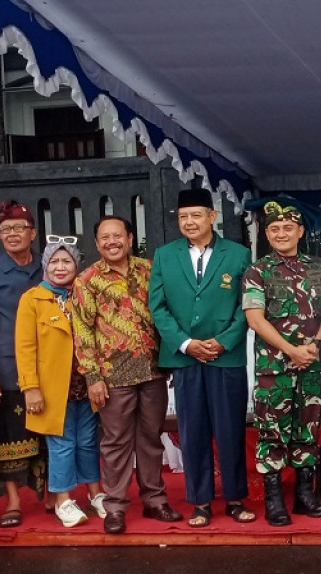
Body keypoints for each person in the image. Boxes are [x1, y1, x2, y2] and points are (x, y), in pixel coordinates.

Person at [150, 189, 251, 527]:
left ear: (212, 216)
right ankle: (201, 501)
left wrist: (223, 342)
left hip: (226, 357)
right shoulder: (165, 256)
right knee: (193, 432)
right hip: (186, 359)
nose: (189, 222)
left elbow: (246, 306)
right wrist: (185, 343)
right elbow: (158, 307)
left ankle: (235, 498)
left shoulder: (237, 255)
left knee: (230, 430)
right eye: (183, 217)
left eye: (196, 215)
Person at [71, 216, 178, 534]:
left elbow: (167, 311)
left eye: (118, 235)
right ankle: (115, 507)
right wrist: (92, 376)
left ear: (130, 238)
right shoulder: (87, 280)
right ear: (97, 243)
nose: (111, 242)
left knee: (150, 437)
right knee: (115, 442)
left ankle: (155, 500)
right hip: (111, 375)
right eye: (104, 237)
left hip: (152, 369)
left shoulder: (150, 270)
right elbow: (82, 332)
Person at [242, 201, 321, 526]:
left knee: (308, 429)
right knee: (272, 434)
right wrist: (291, 350)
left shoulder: (318, 268)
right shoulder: (257, 271)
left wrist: (315, 344)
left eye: (288, 228)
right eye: (275, 229)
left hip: (311, 366)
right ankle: (275, 502)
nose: (281, 233)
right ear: (267, 233)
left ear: (300, 231)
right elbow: (255, 319)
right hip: (273, 370)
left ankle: (305, 497)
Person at [16, 239, 105, 528]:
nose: (60, 267)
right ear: (45, 266)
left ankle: (95, 495)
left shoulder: (84, 294)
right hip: (54, 388)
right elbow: (25, 347)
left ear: (77, 266)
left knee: (89, 443)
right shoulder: (33, 299)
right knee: (62, 445)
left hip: (86, 384)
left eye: (66, 262)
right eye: (54, 262)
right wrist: (30, 388)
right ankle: (63, 500)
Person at [0, 200, 44, 528]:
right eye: (5, 230)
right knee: (11, 431)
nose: (12, 234)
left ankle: (56, 493)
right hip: (8, 364)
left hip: (51, 363)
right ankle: (14, 499)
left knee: (52, 430)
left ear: (33, 232)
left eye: (19, 228)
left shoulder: (49, 265)